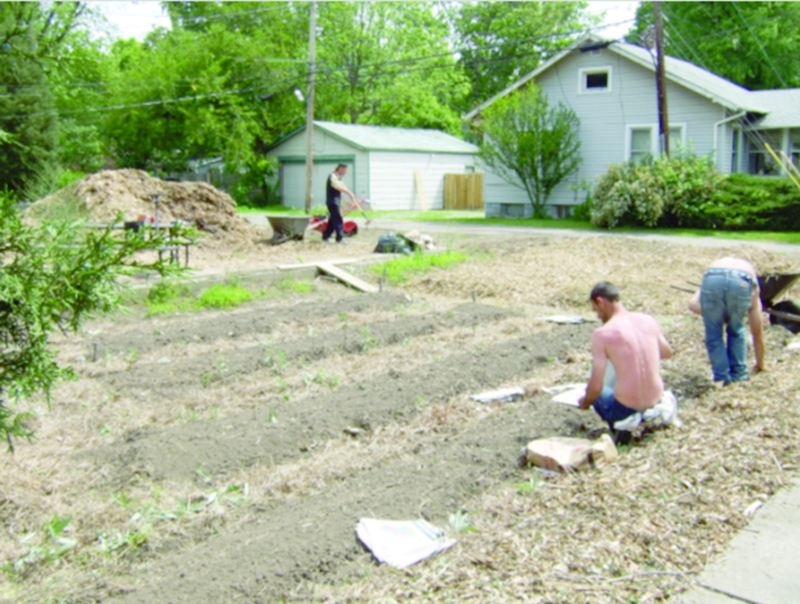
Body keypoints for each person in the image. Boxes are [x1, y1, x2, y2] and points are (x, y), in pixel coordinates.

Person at [578, 282, 675, 432]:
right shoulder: (647, 320)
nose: (597, 316)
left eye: (596, 310)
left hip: (625, 409)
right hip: (655, 401)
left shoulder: (602, 334)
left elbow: (596, 386)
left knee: (598, 394)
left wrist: (585, 402)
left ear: (600, 302)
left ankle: (619, 431)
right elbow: (667, 352)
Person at [688, 257, 765, 385]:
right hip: (742, 280)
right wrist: (760, 364)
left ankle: (722, 378)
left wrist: (715, 316)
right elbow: (758, 332)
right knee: (737, 329)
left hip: (714, 277)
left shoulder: (717, 267)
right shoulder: (754, 289)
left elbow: (692, 304)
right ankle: (740, 376)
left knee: (714, 334)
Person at [323, 163, 358, 243]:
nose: (345, 172)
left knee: (333, 219)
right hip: (332, 201)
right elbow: (339, 187)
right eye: (345, 170)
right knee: (338, 219)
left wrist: (352, 197)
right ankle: (340, 238)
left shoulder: (339, 178)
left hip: (337, 200)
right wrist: (349, 193)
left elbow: (344, 187)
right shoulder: (333, 176)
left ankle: (326, 236)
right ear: (340, 169)